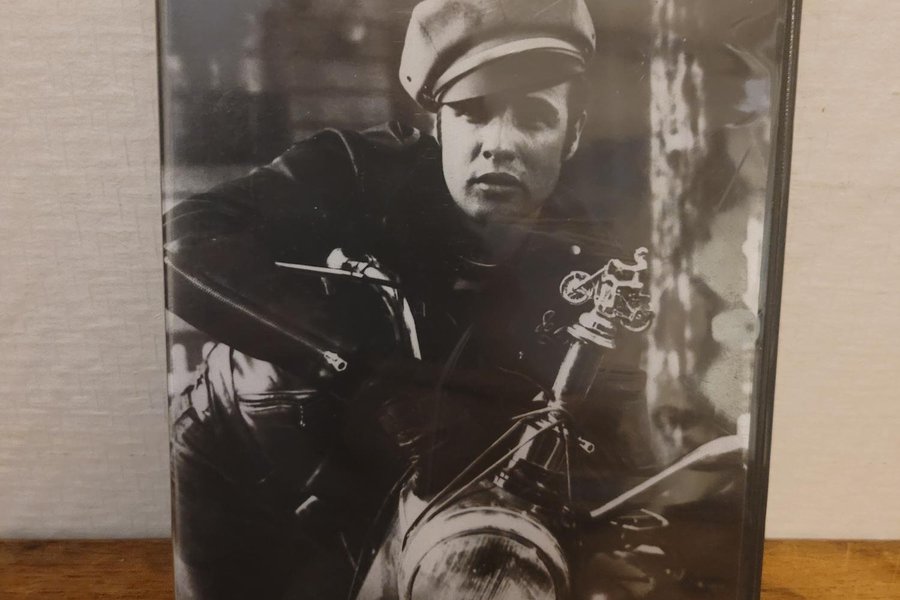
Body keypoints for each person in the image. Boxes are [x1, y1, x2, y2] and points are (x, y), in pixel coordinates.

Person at [165, 1, 655, 598]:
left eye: (534, 117)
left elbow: (609, 437)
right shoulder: (353, 173)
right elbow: (179, 246)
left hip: (405, 508)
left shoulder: (593, 264)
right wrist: (365, 371)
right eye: (473, 113)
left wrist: (604, 541)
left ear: (572, 134)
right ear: (438, 126)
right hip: (244, 470)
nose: (498, 145)